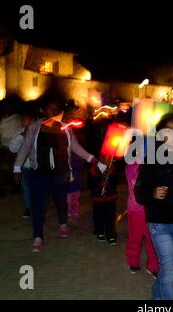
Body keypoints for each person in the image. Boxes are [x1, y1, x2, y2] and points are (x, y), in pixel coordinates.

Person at [13, 99, 100, 252]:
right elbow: (25, 147)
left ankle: (63, 224)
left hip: (60, 173)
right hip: (39, 173)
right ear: (44, 110)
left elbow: (75, 147)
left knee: (61, 202)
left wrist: (91, 158)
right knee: (38, 206)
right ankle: (38, 237)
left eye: (56, 108)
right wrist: (17, 168)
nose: (53, 111)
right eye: (50, 108)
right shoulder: (35, 127)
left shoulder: (65, 128)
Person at [135, 113, 173, 300]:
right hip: (159, 223)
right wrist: (151, 193)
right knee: (170, 272)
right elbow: (139, 191)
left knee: (167, 268)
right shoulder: (152, 157)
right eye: (170, 131)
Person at [125, 160, 159, 277]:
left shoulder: (152, 165)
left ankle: (153, 265)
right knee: (135, 238)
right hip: (135, 210)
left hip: (150, 210)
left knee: (152, 239)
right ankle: (133, 261)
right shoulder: (131, 167)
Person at [9, 111, 37, 218]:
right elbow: (12, 148)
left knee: (36, 188)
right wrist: (21, 136)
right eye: (23, 119)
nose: (23, 121)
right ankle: (28, 208)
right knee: (26, 187)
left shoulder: (39, 131)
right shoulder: (19, 132)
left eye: (25, 118)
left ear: (33, 120)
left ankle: (37, 207)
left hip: (37, 166)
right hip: (25, 166)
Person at [88, 155, 120, 245]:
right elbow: (90, 184)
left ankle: (111, 234)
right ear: (100, 158)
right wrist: (99, 185)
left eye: (110, 157)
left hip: (110, 198)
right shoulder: (93, 170)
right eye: (106, 157)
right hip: (98, 199)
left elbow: (117, 181)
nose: (109, 159)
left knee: (110, 216)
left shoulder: (112, 169)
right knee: (98, 216)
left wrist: (110, 178)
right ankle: (100, 231)